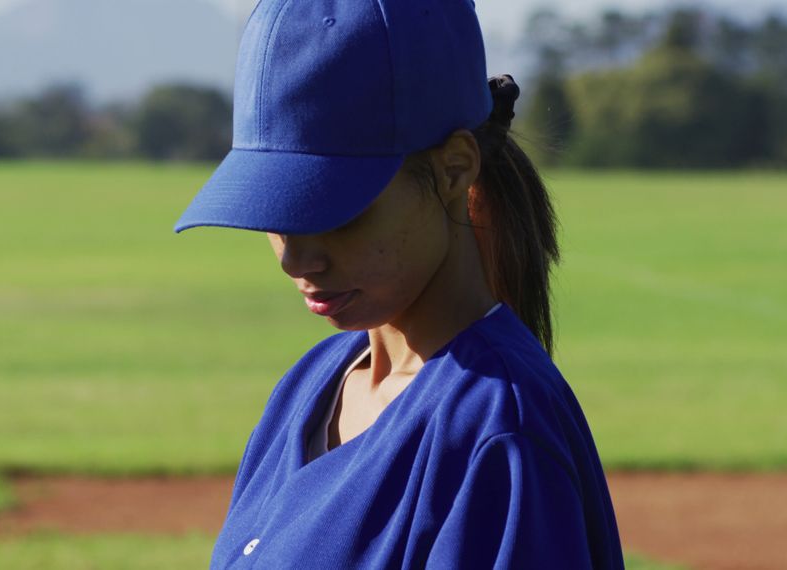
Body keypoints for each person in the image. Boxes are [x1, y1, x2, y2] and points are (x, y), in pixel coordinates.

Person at [174, 0, 623, 567]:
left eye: (335, 212)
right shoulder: (309, 386)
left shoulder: (498, 430)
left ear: (454, 169)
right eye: (274, 213)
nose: (296, 260)